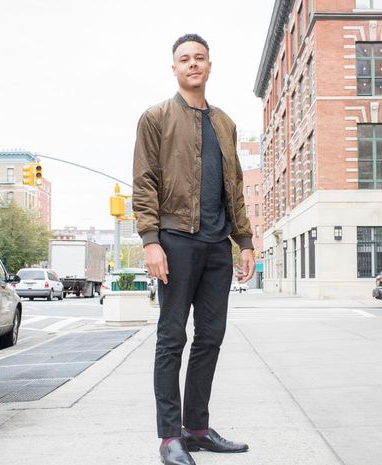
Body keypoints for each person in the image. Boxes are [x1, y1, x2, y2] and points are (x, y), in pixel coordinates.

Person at [133, 33, 255, 465]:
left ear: (209, 65)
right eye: (184, 59)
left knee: (211, 337)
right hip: (175, 241)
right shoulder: (156, 118)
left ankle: (198, 428)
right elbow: (145, 182)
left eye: (199, 58)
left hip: (217, 245)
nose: (192, 64)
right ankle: (170, 436)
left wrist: (244, 241)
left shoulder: (224, 122)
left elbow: (234, 186)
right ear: (174, 68)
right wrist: (151, 241)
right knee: (171, 338)